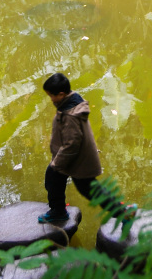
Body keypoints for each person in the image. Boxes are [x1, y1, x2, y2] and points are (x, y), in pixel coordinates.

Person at [38, 72, 103, 224]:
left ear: (61, 94)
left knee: (90, 191)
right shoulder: (70, 103)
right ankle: (58, 210)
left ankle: (122, 211)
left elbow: (72, 144)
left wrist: (57, 163)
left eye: (52, 96)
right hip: (69, 157)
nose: (51, 99)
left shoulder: (70, 115)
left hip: (76, 161)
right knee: (53, 181)